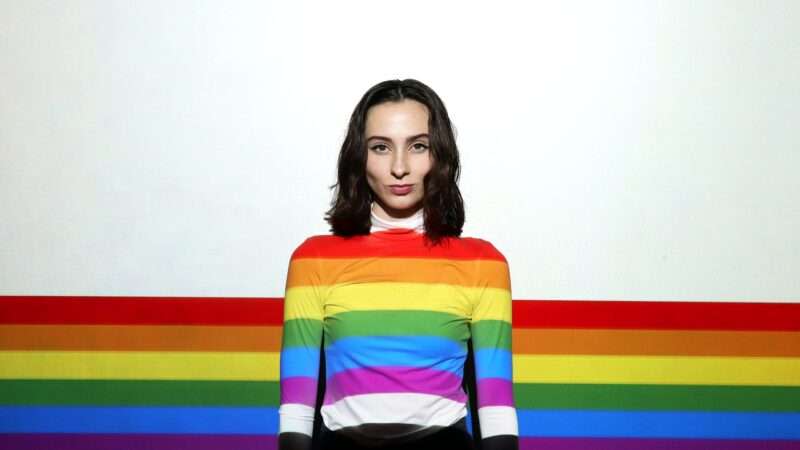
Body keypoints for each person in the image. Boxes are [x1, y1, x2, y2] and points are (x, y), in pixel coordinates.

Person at [278, 79, 518, 450]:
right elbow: (296, 412)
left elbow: (497, 411)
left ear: (440, 155)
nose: (400, 167)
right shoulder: (314, 260)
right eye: (381, 147)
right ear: (359, 157)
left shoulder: (482, 264)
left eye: (418, 146)